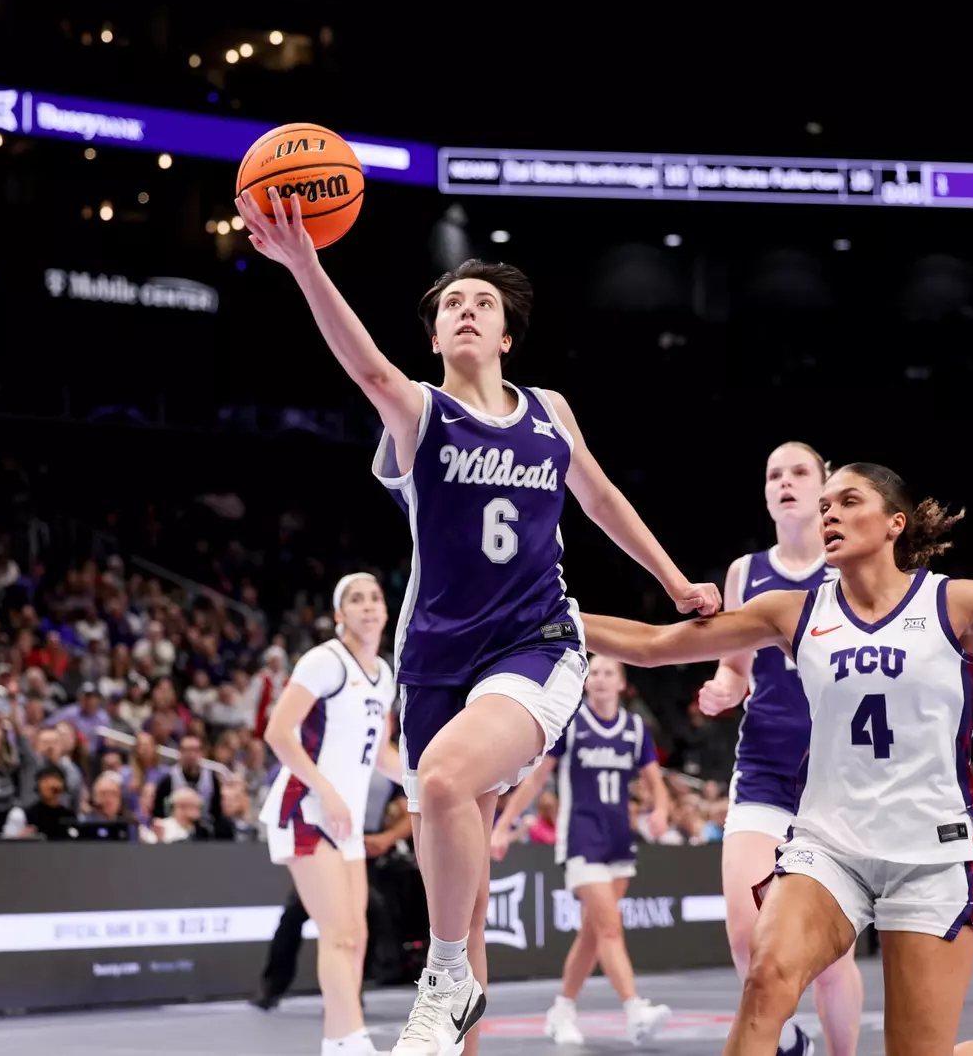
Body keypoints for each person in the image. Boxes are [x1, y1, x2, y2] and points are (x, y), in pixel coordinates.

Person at [236, 187, 718, 1056]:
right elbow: (371, 370)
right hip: (435, 664)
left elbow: (601, 499)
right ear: (435, 337)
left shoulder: (550, 412)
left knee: (450, 785)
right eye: (451, 303)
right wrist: (307, 268)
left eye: (482, 304)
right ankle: (457, 998)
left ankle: (442, 974)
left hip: (532, 640)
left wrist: (676, 579)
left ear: (505, 336)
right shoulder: (421, 413)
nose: (466, 310)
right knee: (464, 870)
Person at [581, 462, 973, 1056]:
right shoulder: (794, 611)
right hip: (828, 845)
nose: (827, 513)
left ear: (893, 524)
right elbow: (653, 646)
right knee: (765, 980)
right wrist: (553, 617)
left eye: (847, 500)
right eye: (824, 504)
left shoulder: (957, 602)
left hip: (930, 851)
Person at [695, 442, 863, 1056]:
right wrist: (721, 689)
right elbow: (734, 668)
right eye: (774, 474)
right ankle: (791, 1039)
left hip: (836, 782)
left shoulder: (853, 567)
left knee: (828, 952)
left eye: (798, 472)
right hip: (764, 771)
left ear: (822, 490)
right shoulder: (745, 574)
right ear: (766, 494)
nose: (784, 482)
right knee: (747, 933)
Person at [490, 654, 673, 1046]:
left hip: (618, 840)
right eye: (597, 673)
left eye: (611, 673)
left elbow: (655, 783)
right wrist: (503, 827)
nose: (603, 679)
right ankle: (635, 1009)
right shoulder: (572, 724)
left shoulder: (635, 729)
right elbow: (536, 781)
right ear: (587, 682)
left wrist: (661, 810)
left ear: (623, 683)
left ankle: (561, 1010)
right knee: (608, 927)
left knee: (593, 933)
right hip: (580, 839)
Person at [259, 573, 401, 1056]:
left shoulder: (384, 675)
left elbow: (383, 754)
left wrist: (430, 782)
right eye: (355, 600)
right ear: (340, 614)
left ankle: (339, 1040)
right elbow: (279, 733)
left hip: (347, 822)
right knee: (339, 934)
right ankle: (350, 1040)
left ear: (385, 610)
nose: (367, 606)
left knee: (356, 936)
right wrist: (328, 791)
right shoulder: (324, 661)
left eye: (374, 598)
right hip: (306, 807)